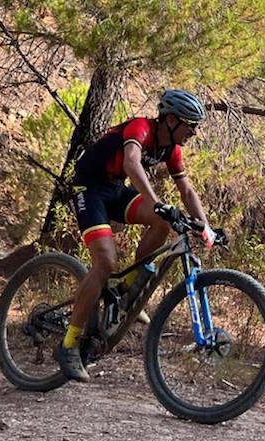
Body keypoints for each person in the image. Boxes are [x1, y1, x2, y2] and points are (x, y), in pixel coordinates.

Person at [55, 89, 218, 382]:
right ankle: (68, 344)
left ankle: (128, 288)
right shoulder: (141, 128)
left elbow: (187, 191)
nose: (193, 132)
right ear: (170, 120)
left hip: (113, 189)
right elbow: (131, 163)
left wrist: (206, 227)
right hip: (88, 189)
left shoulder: (172, 150)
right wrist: (155, 201)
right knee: (105, 263)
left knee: (162, 223)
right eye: (189, 125)